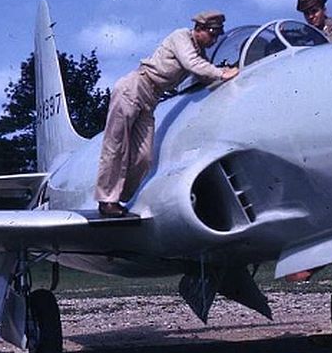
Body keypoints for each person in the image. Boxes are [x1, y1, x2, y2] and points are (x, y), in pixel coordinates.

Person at [95, 11, 237, 216]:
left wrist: (228, 70)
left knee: (144, 157)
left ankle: (119, 197)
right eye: (212, 34)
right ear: (199, 29)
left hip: (151, 99)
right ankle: (107, 201)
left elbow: (204, 74)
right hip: (134, 87)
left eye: (217, 36)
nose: (214, 41)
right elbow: (192, 64)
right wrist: (222, 73)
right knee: (116, 146)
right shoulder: (181, 37)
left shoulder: (199, 52)